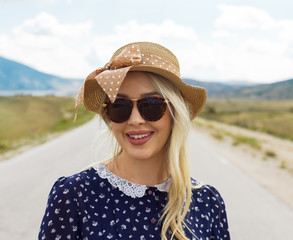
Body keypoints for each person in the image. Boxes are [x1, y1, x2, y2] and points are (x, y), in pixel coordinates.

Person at [39, 42, 230, 240]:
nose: (135, 120)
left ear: (175, 113)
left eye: (152, 105)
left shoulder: (207, 202)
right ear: (108, 115)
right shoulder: (73, 196)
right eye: (119, 106)